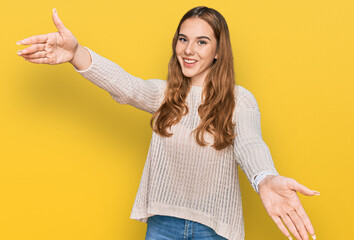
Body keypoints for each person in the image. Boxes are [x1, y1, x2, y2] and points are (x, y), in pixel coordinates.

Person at [16, 6, 320, 240]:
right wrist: (76, 53)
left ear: (218, 51)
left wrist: (265, 177)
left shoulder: (239, 99)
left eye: (202, 42)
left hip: (214, 230)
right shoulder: (167, 95)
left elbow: (251, 142)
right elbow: (127, 87)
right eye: (183, 39)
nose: (189, 50)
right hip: (162, 225)